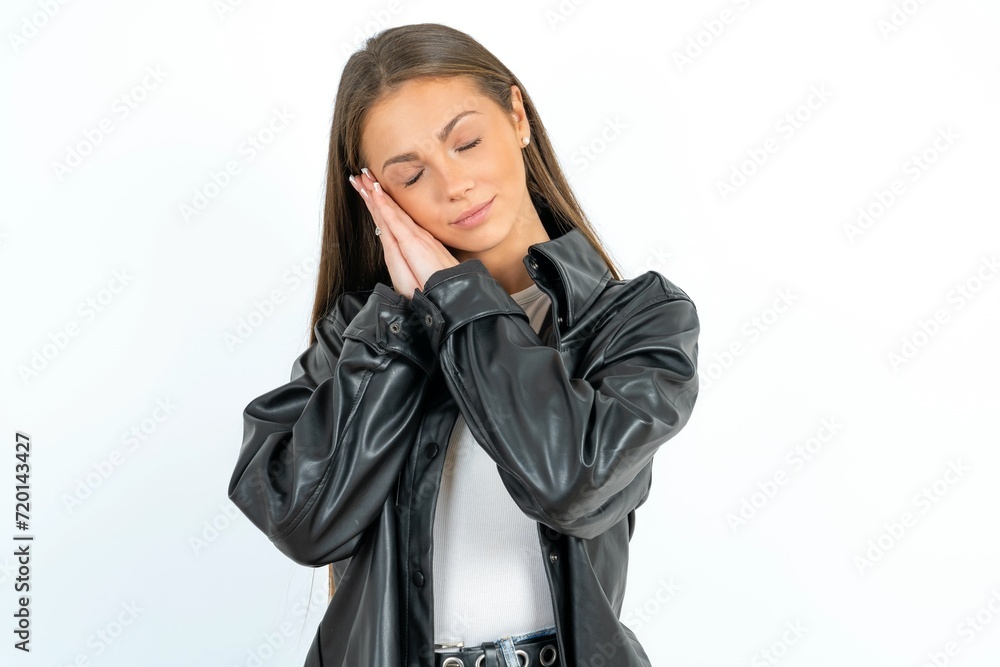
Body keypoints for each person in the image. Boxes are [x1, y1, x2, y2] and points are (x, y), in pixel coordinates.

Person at [228, 22, 700, 667]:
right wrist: (399, 324)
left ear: (517, 115)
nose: (454, 185)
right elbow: (301, 520)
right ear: (376, 196)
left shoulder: (637, 321)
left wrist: (460, 297)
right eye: (411, 173)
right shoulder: (361, 335)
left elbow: (567, 482)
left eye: (467, 141)